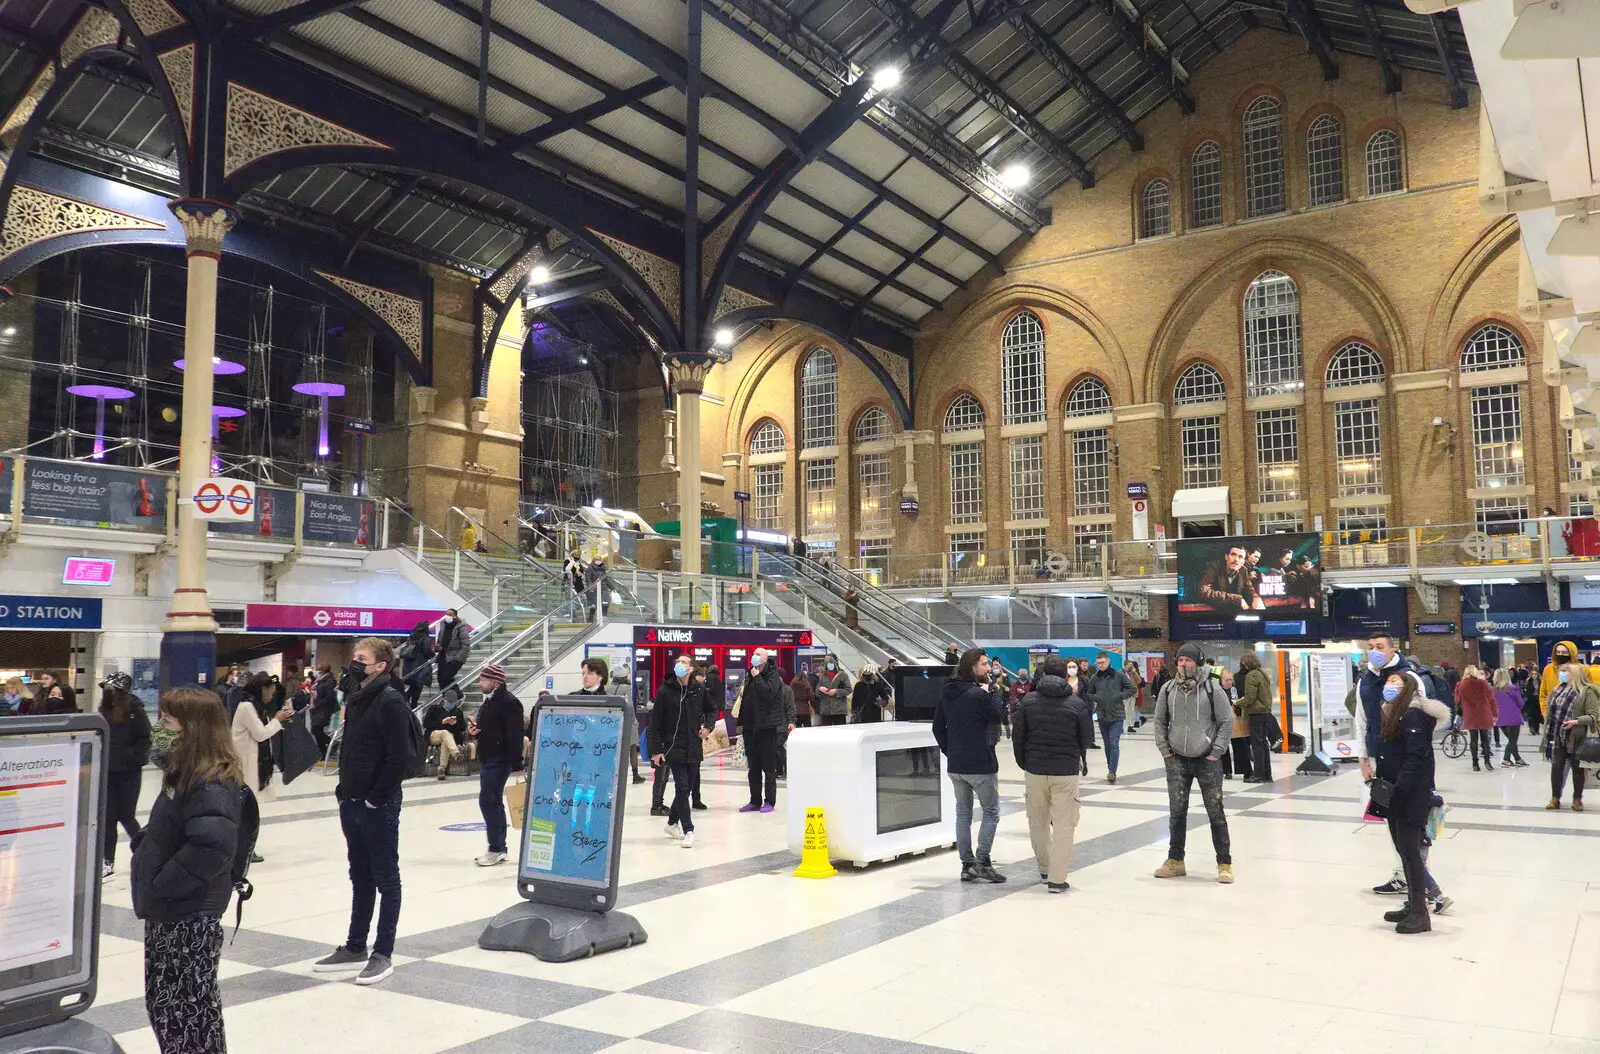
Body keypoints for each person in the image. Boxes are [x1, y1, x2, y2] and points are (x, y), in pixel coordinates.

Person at [131, 687, 245, 1054]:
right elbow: (178, 826)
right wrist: (147, 844)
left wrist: (163, 883)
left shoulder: (209, 780)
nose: (159, 727)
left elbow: (212, 846)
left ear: (193, 728)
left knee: (186, 1013)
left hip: (187, 917)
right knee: (173, 1008)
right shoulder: (187, 772)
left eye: (167, 720)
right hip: (175, 913)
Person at [315, 637, 411, 985]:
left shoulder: (390, 702)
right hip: (352, 801)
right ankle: (355, 945)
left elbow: (398, 758)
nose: (353, 662)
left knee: (386, 877)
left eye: (361, 658)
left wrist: (375, 797)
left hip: (378, 805)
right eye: (354, 656)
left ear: (380, 665)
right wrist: (344, 793)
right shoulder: (357, 698)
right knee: (360, 874)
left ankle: (382, 952)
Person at [1153, 643, 1233, 883]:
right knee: (1177, 812)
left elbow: (1226, 721)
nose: (1183, 664)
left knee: (1215, 812)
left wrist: (1216, 751)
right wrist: (1165, 750)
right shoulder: (1168, 689)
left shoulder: (1212, 688)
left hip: (1207, 759)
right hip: (1176, 759)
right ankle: (1175, 860)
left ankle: (1224, 863)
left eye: (1188, 660)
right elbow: (1158, 720)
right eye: (1179, 660)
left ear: (1197, 662)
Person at [1012, 657, 1093, 893]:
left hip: (1035, 770)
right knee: (1064, 825)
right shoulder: (1076, 704)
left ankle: (1045, 869)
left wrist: (1025, 763)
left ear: (1042, 673)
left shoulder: (1028, 701)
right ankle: (1057, 879)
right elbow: (1086, 739)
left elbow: (1018, 736)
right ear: (1066, 676)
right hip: (1065, 772)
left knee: (1037, 822)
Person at [1375, 672, 1443, 934]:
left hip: (1409, 793)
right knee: (1404, 851)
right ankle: (1413, 903)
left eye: (1395, 682)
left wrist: (1400, 789)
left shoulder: (1413, 714)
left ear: (1409, 687)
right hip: (1395, 790)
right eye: (1388, 681)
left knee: (1411, 852)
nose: (1389, 685)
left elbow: (1417, 757)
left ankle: (1420, 914)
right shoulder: (1394, 712)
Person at [932, 648, 1007, 884]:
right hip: (980, 764)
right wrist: (995, 691)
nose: (988, 668)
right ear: (972, 667)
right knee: (991, 812)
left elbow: (937, 728)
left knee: (963, 814)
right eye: (984, 664)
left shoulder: (947, 692)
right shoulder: (978, 695)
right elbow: (997, 716)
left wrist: (949, 750)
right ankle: (983, 862)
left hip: (956, 765)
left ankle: (967, 865)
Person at [650, 653, 715, 848]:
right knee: (682, 787)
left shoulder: (699, 690)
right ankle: (689, 830)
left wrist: (708, 726)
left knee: (685, 790)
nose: (679, 664)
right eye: (678, 661)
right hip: (673, 747)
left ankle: (671, 823)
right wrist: (656, 750)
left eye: (684, 662)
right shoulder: (665, 691)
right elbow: (655, 724)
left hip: (694, 746)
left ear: (691, 668)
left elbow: (712, 709)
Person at [231, 674, 292, 863]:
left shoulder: (253, 706)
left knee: (246, 808)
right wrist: (277, 720)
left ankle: (244, 847)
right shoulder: (247, 707)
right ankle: (243, 849)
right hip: (246, 764)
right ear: (262, 689)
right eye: (269, 691)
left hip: (251, 762)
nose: (271, 696)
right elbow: (260, 734)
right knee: (246, 809)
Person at [467, 663, 523, 866]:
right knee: (491, 802)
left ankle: (496, 848)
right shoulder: (489, 703)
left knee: (489, 801)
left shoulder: (509, 703)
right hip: (488, 757)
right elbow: (488, 728)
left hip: (500, 759)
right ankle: (498, 847)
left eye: (483, 680)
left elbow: (515, 734)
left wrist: (517, 764)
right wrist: (474, 731)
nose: (479, 683)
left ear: (495, 682)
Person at [100, 672, 151, 877]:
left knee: (127, 816)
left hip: (129, 773)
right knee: (108, 817)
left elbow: (144, 742)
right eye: (106, 690)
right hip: (109, 773)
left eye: (111, 690)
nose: (107, 693)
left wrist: (126, 756)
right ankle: (107, 860)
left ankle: (145, 852)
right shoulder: (104, 712)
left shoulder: (136, 713)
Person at [737, 649, 794, 813]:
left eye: (758, 654)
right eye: (753, 653)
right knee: (753, 767)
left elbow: (769, 693)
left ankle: (769, 801)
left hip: (767, 728)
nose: (754, 656)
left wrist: (757, 677)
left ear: (766, 658)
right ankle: (754, 800)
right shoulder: (750, 674)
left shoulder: (772, 674)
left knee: (768, 767)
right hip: (750, 728)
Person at [1543, 660, 1600, 810]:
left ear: (1574, 674)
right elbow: (1551, 713)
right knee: (1556, 768)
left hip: (1577, 736)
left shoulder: (1587, 691)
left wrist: (1576, 721)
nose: (1561, 674)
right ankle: (1555, 798)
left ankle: (1577, 799)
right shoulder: (1556, 690)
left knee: (1578, 768)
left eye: (1565, 671)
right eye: (1561, 671)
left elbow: (1593, 715)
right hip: (1557, 735)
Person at [1082, 652, 1134, 783]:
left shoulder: (1119, 675)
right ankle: (1110, 767)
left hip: (1117, 714)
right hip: (1102, 714)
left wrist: (1120, 695)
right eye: (1098, 663)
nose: (1100, 665)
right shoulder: (1095, 677)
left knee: (1113, 742)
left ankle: (1112, 771)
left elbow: (1132, 689)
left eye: (1102, 662)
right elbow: (1088, 693)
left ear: (1108, 661)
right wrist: (1097, 698)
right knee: (1107, 744)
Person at [1237, 651, 1274, 784]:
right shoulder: (1262, 673)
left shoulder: (1251, 675)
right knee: (1264, 744)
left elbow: (1250, 698)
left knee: (1257, 745)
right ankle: (1267, 775)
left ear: (1246, 663)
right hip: (1265, 712)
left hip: (1256, 713)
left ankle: (1258, 774)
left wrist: (1237, 703)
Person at [1197, 544, 1263, 615]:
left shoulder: (1243, 570)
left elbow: (1249, 590)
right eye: (1233, 555)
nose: (1236, 559)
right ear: (1226, 557)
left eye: (1240, 557)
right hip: (1213, 614)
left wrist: (1256, 599)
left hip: (1234, 614)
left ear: (1243, 562)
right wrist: (1237, 600)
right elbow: (1204, 592)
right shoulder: (1214, 567)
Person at [1455, 665, 1497, 771]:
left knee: (1473, 739)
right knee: (1485, 739)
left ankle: (1475, 764)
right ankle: (1487, 762)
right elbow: (1491, 699)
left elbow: (1457, 700)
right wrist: (1495, 713)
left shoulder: (1461, 685)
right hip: (1483, 712)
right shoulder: (1483, 683)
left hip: (1470, 714)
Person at [424, 691, 473, 778]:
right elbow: (426, 724)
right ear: (444, 700)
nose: (451, 704)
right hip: (434, 734)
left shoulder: (457, 712)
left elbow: (463, 727)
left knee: (446, 740)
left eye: (453, 702)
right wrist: (442, 722)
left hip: (450, 737)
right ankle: (456, 753)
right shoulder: (434, 709)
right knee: (445, 733)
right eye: (449, 702)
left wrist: (455, 724)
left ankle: (441, 769)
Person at [1493, 667, 1528, 766]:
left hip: (1500, 719)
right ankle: (1506, 759)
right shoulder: (1512, 688)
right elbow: (1520, 703)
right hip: (1513, 718)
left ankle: (1518, 758)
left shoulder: (1493, 689)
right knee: (1513, 741)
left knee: (1511, 741)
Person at [1220, 668, 1248, 780]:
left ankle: (1244, 770)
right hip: (1223, 722)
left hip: (1235, 722)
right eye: (1227, 680)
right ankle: (1226, 771)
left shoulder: (1234, 690)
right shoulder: (1218, 691)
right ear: (1221, 681)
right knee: (1224, 747)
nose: (1229, 682)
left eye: (1230, 680)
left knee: (1240, 745)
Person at [397, 620, 433, 708]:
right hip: (420, 664)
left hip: (409, 664)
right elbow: (426, 650)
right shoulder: (426, 637)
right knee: (418, 684)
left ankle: (408, 700)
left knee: (415, 684)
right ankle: (411, 702)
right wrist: (433, 654)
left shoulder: (412, 635)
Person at [434, 609, 470, 692]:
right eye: (446, 614)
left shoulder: (461, 627)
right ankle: (446, 699)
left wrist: (457, 659)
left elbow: (465, 645)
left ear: (455, 616)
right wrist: (437, 647)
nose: (447, 616)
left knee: (447, 677)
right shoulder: (444, 627)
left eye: (450, 614)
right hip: (443, 657)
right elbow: (439, 641)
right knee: (441, 678)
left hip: (454, 658)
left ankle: (458, 696)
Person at [310, 663, 339, 757]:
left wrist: (317, 705)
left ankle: (331, 744)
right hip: (320, 708)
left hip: (325, 709)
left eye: (318, 670)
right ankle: (322, 752)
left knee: (315, 729)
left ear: (322, 671)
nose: (316, 672)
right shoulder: (321, 680)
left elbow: (328, 697)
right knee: (317, 729)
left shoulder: (329, 680)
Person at [814, 655, 852, 726]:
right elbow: (817, 692)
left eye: (831, 663)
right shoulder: (822, 676)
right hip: (826, 711)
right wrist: (820, 689)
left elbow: (849, 689)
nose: (830, 666)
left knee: (840, 733)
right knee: (826, 734)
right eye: (828, 664)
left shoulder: (843, 675)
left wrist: (836, 691)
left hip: (839, 711)